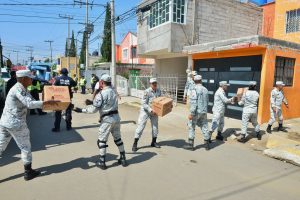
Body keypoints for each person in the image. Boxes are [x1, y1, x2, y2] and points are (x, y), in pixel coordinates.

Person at [0, 70, 58, 181]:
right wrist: (46, 103)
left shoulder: (22, 88)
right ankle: (28, 172)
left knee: (0, 146)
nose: (32, 79)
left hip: (5, 122)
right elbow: (29, 104)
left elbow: (31, 100)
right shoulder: (18, 89)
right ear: (23, 79)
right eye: (30, 78)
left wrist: (43, 103)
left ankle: (28, 171)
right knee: (25, 147)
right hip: (15, 123)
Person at [73, 74, 127, 170]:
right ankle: (123, 158)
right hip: (116, 118)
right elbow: (106, 103)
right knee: (118, 139)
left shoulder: (101, 94)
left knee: (102, 141)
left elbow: (94, 109)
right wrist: (92, 103)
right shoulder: (114, 92)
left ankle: (102, 162)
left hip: (107, 120)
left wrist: (81, 110)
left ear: (102, 82)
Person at [132, 78, 161, 152]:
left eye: (155, 83)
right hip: (145, 111)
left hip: (154, 112)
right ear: (150, 84)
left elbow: (160, 101)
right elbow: (144, 103)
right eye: (153, 83)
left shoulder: (158, 91)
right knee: (141, 126)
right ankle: (135, 143)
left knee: (155, 127)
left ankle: (153, 142)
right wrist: (150, 110)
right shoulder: (146, 92)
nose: (154, 84)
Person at [183, 75, 211, 151]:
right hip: (204, 111)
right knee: (204, 126)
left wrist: (191, 113)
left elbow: (193, 103)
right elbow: (207, 101)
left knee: (191, 126)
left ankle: (190, 145)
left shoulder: (194, 89)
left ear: (194, 81)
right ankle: (207, 144)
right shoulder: (205, 89)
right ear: (201, 80)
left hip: (196, 112)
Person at [52, 68, 77, 132]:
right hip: (67, 97)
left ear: (61, 73)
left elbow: (53, 87)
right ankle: (68, 127)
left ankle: (57, 128)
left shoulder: (57, 79)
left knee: (58, 113)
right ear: (67, 73)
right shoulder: (70, 79)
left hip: (59, 98)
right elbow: (75, 84)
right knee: (68, 112)